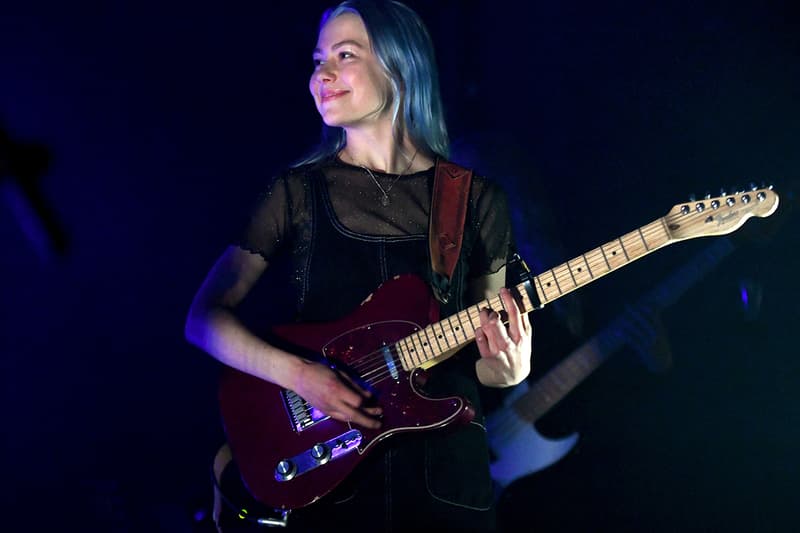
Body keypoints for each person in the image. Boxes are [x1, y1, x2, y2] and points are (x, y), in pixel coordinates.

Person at [184, 1, 532, 531]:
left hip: (444, 490)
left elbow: (480, 355)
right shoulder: (295, 194)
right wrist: (303, 376)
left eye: (344, 55)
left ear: (400, 64)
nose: (321, 73)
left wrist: (511, 370)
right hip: (336, 489)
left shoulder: (476, 200)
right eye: (318, 58)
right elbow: (203, 319)